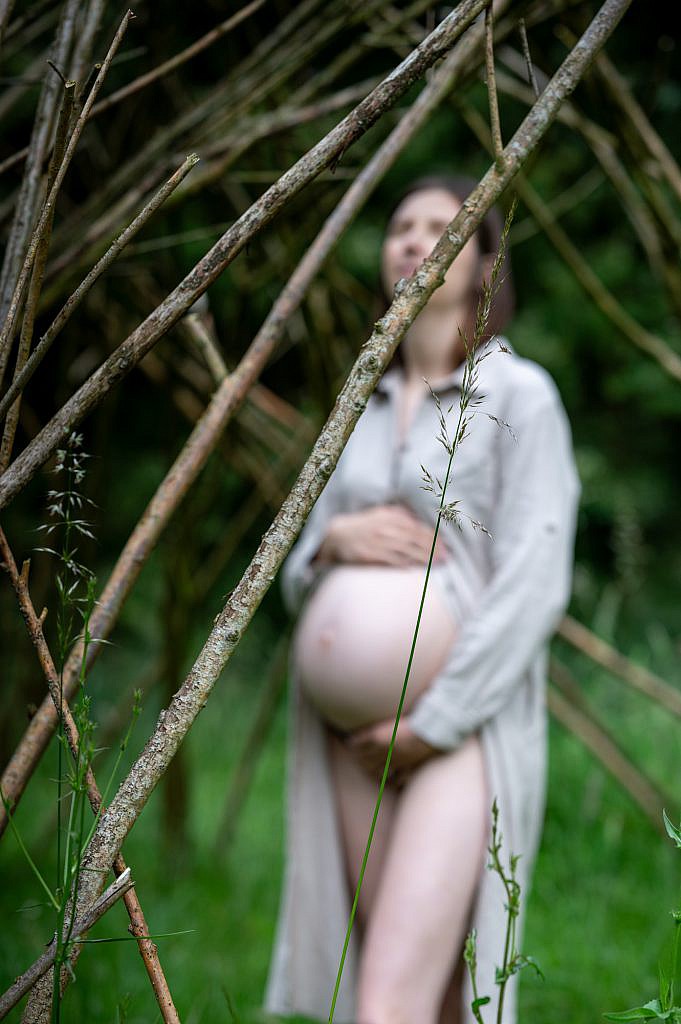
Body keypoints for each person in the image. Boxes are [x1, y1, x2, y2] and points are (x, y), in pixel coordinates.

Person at [265, 175, 580, 1024]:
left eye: (439, 226)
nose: (411, 238)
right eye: (400, 225)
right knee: (420, 988)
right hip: (344, 736)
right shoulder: (357, 402)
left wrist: (431, 723)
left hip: (454, 733)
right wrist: (331, 546)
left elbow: (535, 578)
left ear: (482, 263)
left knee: (387, 1002)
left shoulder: (517, 395)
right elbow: (290, 571)